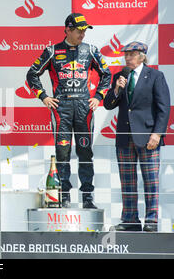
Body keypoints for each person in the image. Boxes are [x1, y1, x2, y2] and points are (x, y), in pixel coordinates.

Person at [26, 13, 111, 208]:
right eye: (79, 30)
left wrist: (98, 97)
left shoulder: (90, 50)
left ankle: (88, 197)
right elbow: (32, 74)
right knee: (62, 152)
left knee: (85, 152)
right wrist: (43, 96)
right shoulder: (52, 51)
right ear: (68, 30)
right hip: (61, 108)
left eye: (84, 30)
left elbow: (106, 74)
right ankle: (63, 196)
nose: (82, 34)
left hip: (83, 108)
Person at [104, 41, 170, 232]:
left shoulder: (156, 76)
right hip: (125, 137)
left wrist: (157, 134)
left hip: (148, 137)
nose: (127, 58)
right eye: (125, 54)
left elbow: (163, 108)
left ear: (142, 56)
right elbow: (109, 104)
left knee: (151, 180)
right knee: (127, 180)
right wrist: (117, 89)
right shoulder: (120, 76)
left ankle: (151, 220)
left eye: (131, 54)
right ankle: (130, 219)